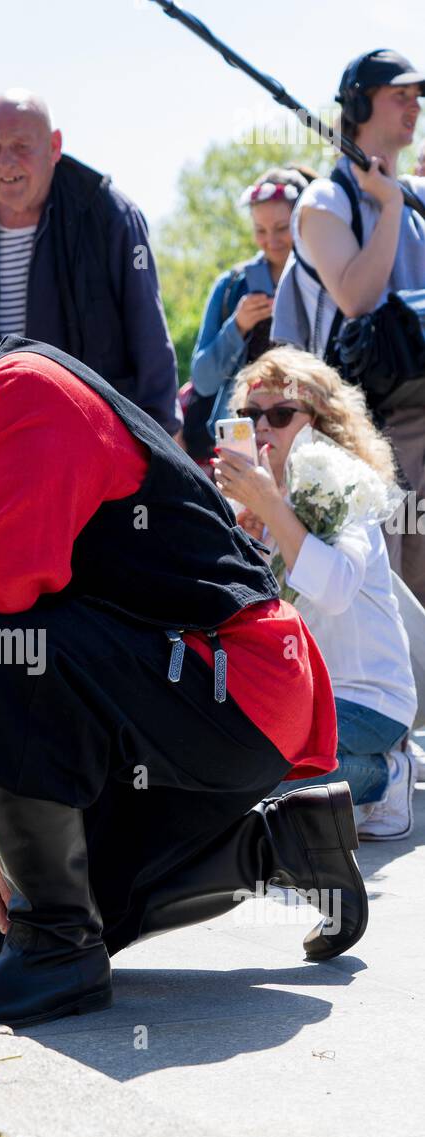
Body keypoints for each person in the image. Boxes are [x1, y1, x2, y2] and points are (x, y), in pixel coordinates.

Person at [0, 308, 368, 1029]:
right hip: (174, 687)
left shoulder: (26, 394)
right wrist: (9, 837)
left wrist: (17, 836)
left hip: (239, 684)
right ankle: (279, 846)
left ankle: (59, 955)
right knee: (14, 926)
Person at [215, 346, 418, 839]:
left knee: (260, 792)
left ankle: (389, 778)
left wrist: (272, 509)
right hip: (296, 698)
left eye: (281, 414)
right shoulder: (250, 504)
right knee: (220, 772)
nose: (262, 426)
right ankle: (368, 770)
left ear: (320, 423)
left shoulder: (345, 485)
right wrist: (241, 535)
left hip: (367, 698)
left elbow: (334, 592)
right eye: (250, 415)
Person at [0, 89, 181, 434]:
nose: (7, 162)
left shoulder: (108, 214)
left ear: (54, 146)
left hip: (93, 436)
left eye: (21, 146)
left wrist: (160, 440)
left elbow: (149, 335)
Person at [272, 49, 425, 608]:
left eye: (417, 98)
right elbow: (358, 298)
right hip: (357, 435)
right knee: (378, 601)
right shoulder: (324, 202)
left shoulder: (417, 198)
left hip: (420, 419)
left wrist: (399, 197)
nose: (413, 108)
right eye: (398, 96)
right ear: (360, 103)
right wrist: (387, 207)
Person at [187, 167, 312, 461]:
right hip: (241, 440)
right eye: (260, 230)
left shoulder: (323, 284)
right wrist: (238, 327)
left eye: (282, 228)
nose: (272, 240)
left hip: (308, 440)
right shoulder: (231, 286)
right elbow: (202, 380)